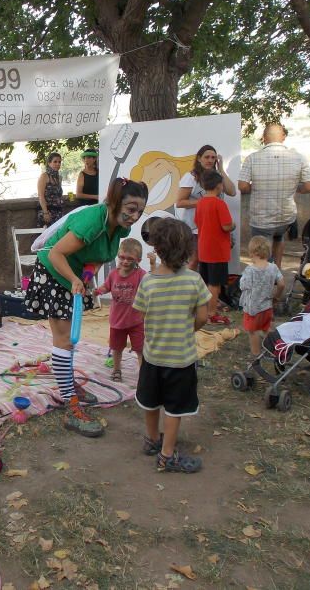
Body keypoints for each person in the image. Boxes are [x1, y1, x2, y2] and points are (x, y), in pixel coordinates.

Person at [25, 178, 149, 437]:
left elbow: (95, 256)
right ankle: (71, 407)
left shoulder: (119, 227)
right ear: (115, 203)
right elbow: (56, 253)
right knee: (64, 341)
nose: (135, 216)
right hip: (54, 273)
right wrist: (74, 280)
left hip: (72, 278)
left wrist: (88, 275)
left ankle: (68, 385)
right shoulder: (93, 220)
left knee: (70, 341)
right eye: (130, 209)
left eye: (140, 210)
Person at [132, 217, 210, 473]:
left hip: (153, 357)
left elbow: (142, 316)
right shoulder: (194, 281)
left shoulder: (148, 282)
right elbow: (202, 317)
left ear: (157, 249)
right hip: (181, 359)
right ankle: (167, 455)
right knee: (175, 409)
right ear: (188, 249)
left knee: (151, 402)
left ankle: (152, 439)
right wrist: (188, 330)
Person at [238, 124, 310, 267]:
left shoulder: (252, 158)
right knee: (279, 238)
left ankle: (264, 275)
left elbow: (242, 186)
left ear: (264, 138)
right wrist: (296, 188)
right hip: (285, 217)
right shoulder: (299, 158)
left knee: (261, 251)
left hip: (261, 218)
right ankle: (277, 271)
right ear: (283, 137)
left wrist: (255, 186)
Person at [175, 145, 236, 269]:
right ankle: (187, 287)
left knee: (213, 261)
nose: (210, 160)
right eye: (206, 157)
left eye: (213, 157)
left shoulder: (217, 176)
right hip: (194, 228)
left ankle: (207, 287)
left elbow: (232, 192)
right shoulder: (191, 177)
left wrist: (221, 169)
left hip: (216, 228)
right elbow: (180, 202)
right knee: (194, 261)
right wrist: (206, 202)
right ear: (199, 158)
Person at [94, 237, 146, 382]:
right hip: (117, 321)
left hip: (136, 321)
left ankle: (144, 374)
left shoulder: (140, 275)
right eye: (122, 257)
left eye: (130, 259)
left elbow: (150, 284)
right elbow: (107, 286)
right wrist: (98, 291)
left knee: (140, 349)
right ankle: (117, 370)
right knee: (116, 348)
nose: (125, 261)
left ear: (138, 260)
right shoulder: (113, 274)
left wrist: (154, 264)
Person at [194, 171, 235, 325]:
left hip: (204, 248)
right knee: (215, 284)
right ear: (219, 185)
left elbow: (197, 222)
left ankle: (203, 311)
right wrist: (233, 225)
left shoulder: (200, 203)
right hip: (217, 250)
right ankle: (212, 313)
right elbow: (226, 226)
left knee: (205, 282)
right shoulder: (219, 203)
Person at [239, 236, 285, 359]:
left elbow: (243, 286)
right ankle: (278, 347)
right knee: (266, 328)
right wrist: (277, 297)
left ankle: (256, 354)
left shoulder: (250, 270)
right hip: (267, 307)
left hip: (252, 309)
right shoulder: (273, 268)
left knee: (253, 331)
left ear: (253, 253)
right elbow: (281, 284)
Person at [36, 152, 65, 227]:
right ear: (49, 163)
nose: (58, 164)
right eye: (55, 162)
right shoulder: (44, 176)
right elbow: (40, 195)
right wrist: (45, 212)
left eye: (59, 162)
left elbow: (58, 195)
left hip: (58, 211)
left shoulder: (59, 177)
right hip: (47, 212)